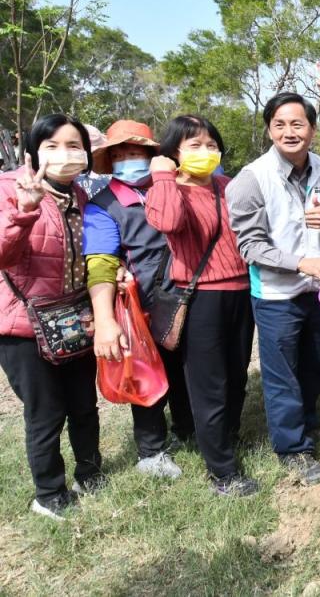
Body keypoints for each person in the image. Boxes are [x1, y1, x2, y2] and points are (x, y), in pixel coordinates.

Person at [226, 92, 320, 485]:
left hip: (316, 289)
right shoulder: (251, 179)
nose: (290, 132)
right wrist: (299, 263)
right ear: (269, 129)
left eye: (298, 124)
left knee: (315, 364)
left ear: (311, 128)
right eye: (280, 124)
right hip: (275, 293)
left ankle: (304, 422)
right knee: (282, 375)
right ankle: (293, 448)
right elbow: (250, 246)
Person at [144, 115, 258, 497]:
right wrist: (162, 175)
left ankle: (226, 438)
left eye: (211, 144)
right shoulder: (168, 190)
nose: (206, 152)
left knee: (236, 374)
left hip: (242, 291)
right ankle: (222, 473)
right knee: (210, 384)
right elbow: (169, 222)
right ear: (173, 153)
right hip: (201, 296)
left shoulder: (228, 186)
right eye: (194, 145)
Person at [0, 115, 103, 519]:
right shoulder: (11, 189)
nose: (65, 154)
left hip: (75, 318)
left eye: (74, 145)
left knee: (83, 404)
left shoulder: (81, 195)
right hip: (25, 325)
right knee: (45, 412)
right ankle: (50, 493)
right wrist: (24, 212)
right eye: (53, 146)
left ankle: (91, 473)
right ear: (32, 153)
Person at [84, 119, 194, 480]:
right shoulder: (103, 205)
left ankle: (189, 429)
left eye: (136, 152)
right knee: (146, 376)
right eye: (120, 155)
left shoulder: (175, 186)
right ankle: (152, 451)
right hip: (141, 306)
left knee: (185, 370)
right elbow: (100, 261)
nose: (128, 159)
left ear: (152, 156)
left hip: (187, 298)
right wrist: (107, 316)